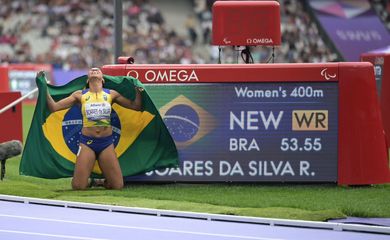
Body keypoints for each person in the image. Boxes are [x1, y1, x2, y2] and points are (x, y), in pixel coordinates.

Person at [37, 68, 144, 190]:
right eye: (92, 70)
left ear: (102, 79)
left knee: (117, 186)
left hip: (106, 143)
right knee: (78, 187)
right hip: (87, 143)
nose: (94, 70)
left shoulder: (111, 94)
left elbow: (136, 106)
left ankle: (99, 182)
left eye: (97, 70)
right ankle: (89, 180)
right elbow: (54, 107)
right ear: (88, 80)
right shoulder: (79, 95)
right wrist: (43, 86)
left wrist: (138, 89)